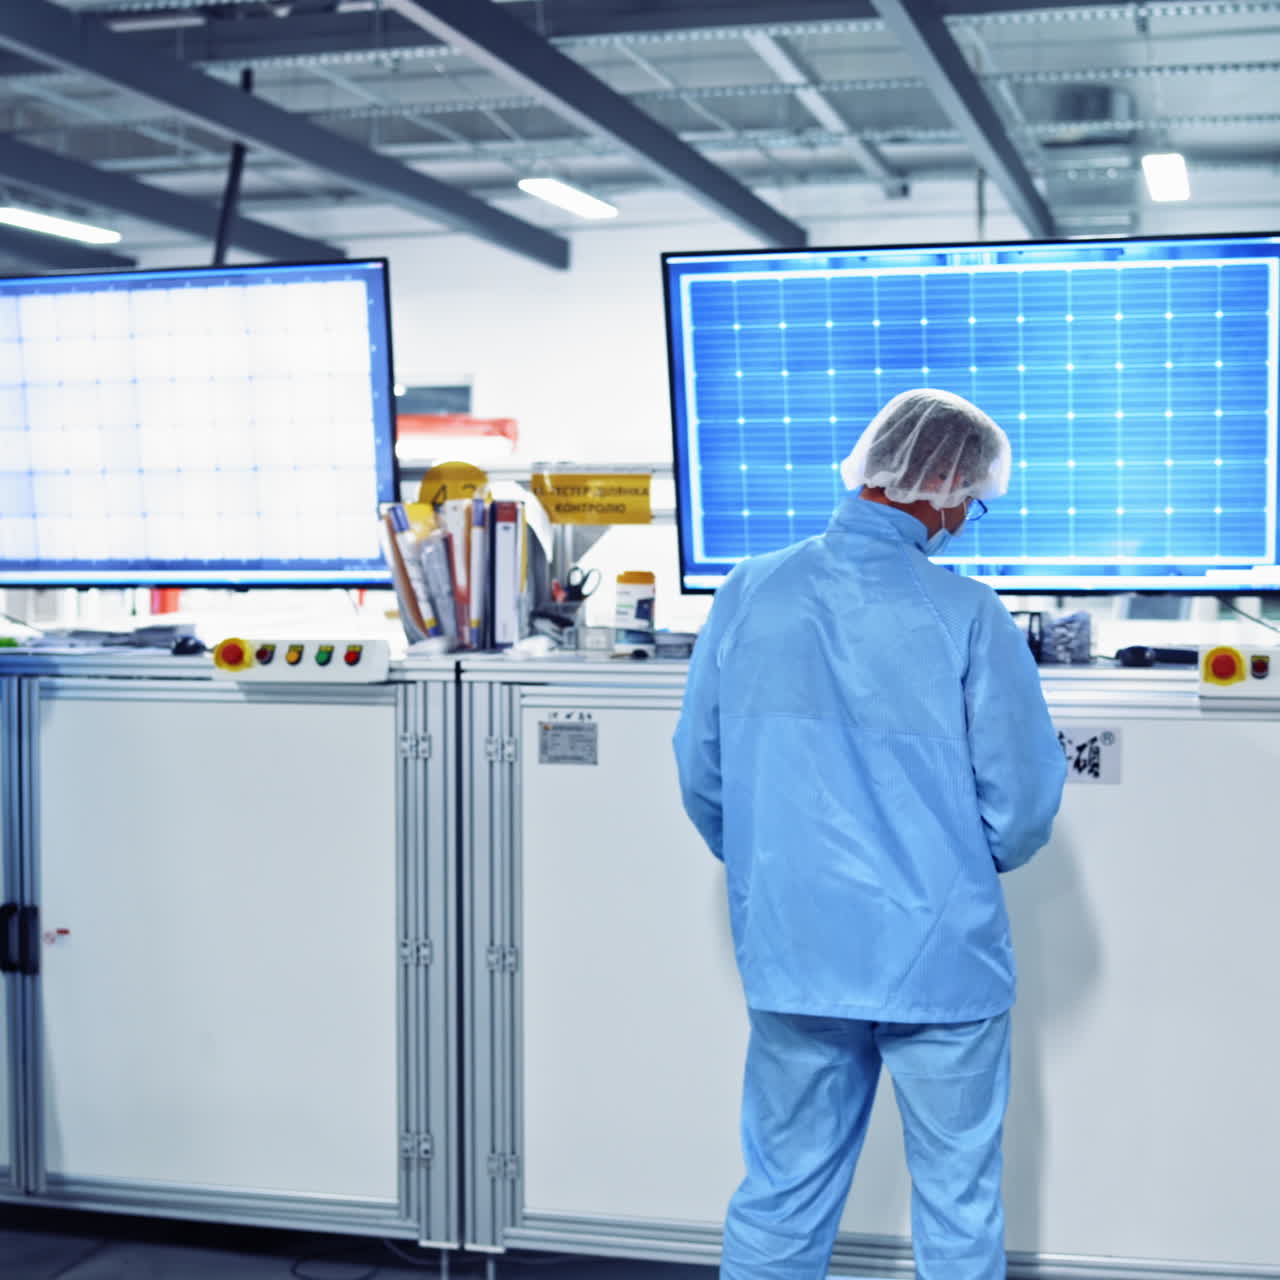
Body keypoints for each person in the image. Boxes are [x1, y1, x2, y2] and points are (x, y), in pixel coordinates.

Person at [673, 388, 1067, 1280]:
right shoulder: (968, 615)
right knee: (958, 1203)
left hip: (796, 949)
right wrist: (958, 868)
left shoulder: (749, 590)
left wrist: (780, 868)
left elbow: (703, 772)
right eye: (971, 497)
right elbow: (1025, 800)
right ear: (932, 480)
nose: (968, 519)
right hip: (942, 960)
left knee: (780, 1194)